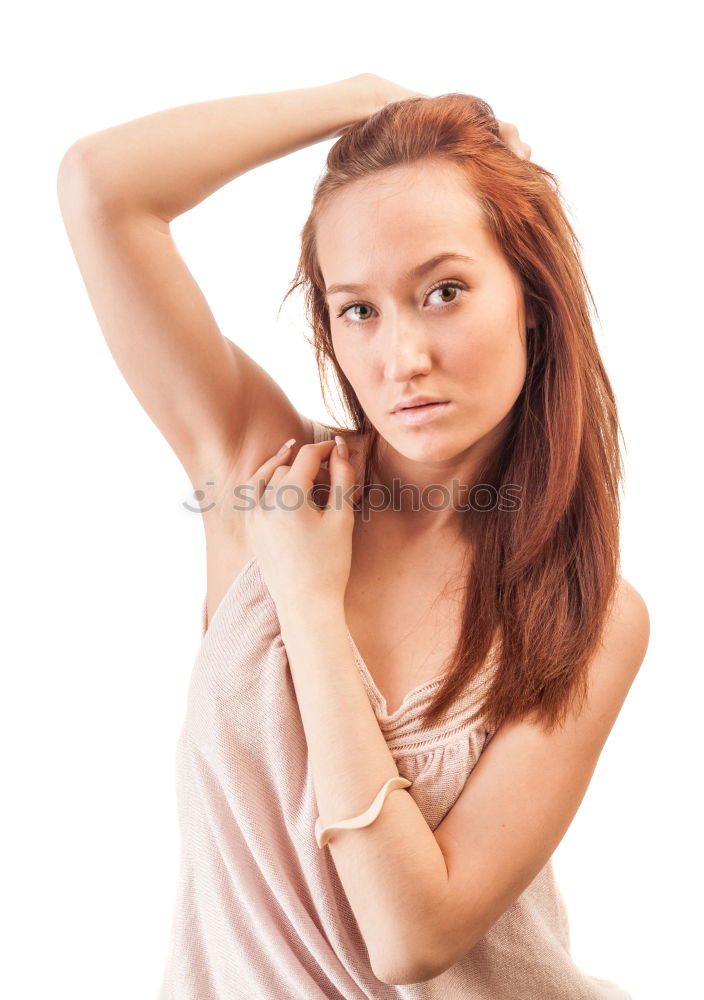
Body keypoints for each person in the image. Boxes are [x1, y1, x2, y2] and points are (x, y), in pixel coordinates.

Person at [57, 73, 649, 999]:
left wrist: (307, 605)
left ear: (532, 296)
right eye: (358, 309)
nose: (401, 358)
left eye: (444, 290)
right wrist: (358, 99)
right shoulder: (266, 473)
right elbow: (102, 187)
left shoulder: (587, 613)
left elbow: (411, 937)